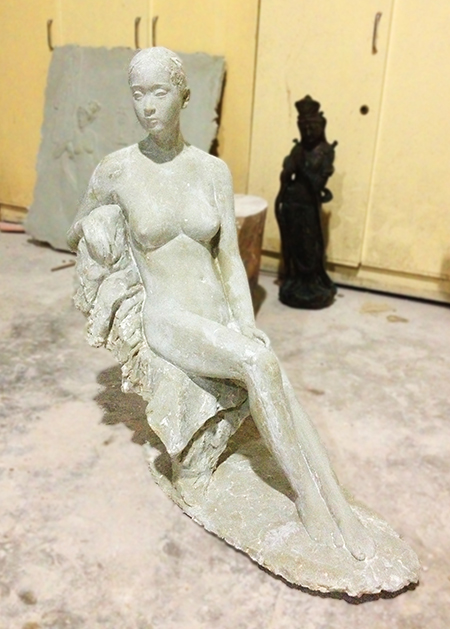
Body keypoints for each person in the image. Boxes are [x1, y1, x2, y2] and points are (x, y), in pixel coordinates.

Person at [68, 47, 375, 562]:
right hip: (169, 316)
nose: (148, 106)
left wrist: (245, 321)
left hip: (216, 313)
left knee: (275, 376)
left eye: (160, 92)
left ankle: (338, 506)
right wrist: (95, 226)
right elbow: (76, 226)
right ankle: (311, 504)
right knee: (258, 365)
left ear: (184, 96)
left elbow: (229, 257)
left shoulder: (212, 171)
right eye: (138, 94)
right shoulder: (117, 169)